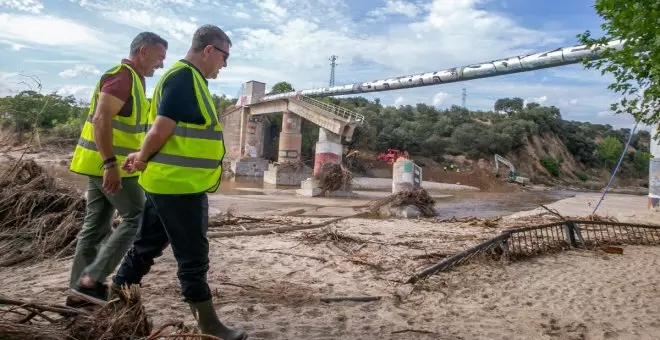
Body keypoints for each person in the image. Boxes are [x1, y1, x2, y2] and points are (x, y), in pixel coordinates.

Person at [111, 24, 246, 340]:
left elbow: (168, 131)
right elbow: (162, 127)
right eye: (224, 57)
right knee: (193, 257)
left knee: (147, 245)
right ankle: (210, 327)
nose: (224, 65)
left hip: (168, 182)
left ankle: (116, 296)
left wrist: (143, 154)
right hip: (179, 185)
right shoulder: (184, 77)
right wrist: (143, 156)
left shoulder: (188, 79)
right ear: (209, 50)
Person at [67, 32, 168, 305]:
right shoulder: (122, 77)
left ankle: (78, 293)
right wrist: (110, 164)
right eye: (159, 57)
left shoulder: (134, 80)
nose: (160, 65)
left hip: (100, 164)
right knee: (137, 216)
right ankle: (92, 280)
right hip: (112, 167)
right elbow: (101, 119)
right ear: (143, 51)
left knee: (95, 227)